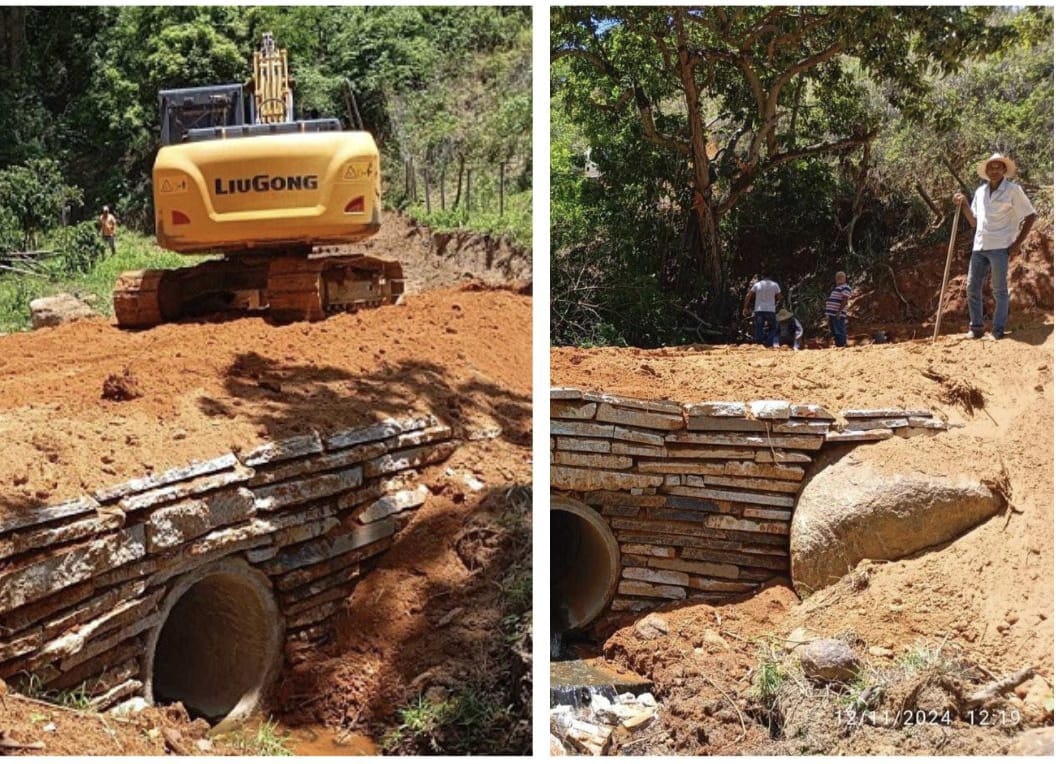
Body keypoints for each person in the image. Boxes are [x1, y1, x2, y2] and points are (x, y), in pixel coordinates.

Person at [953, 153, 1037, 340]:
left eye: (998, 167)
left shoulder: (1013, 190)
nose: (994, 170)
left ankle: (998, 330)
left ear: (1004, 170)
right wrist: (964, 203)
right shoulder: (980, 192)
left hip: (1000, 246)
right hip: (980, 245)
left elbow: (1031, 216)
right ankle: (976, 328)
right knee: (972, 287)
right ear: (986, 171)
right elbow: (974, 222)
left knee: (998, 289)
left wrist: (1016, 243)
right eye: (991, 167)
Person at [742, 274, 781, 347]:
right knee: (773, 327)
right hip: (770, 310)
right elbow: (779, 297)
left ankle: (759, 344)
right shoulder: (775, 285)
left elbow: (748, 295)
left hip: (759, 310)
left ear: (762, 277)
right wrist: (777, 303)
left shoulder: (757, 285)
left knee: (759, 327)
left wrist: (745, 307)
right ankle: (769, 343)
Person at [825, 271, 852, 347]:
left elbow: (845, 300)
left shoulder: (845, 287)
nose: (838, 279)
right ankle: (838, 344)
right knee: (834, 330)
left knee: (839, 329)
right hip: (832, 313)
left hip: (837, 313)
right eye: (837, 277)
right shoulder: (837, 288)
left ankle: (842, 344)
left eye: (841, 277)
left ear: (845, 278)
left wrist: (839, 311)